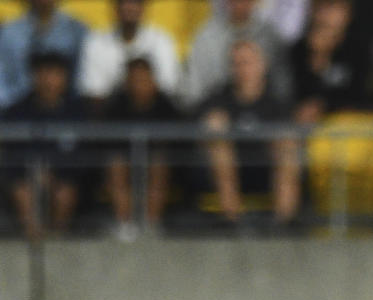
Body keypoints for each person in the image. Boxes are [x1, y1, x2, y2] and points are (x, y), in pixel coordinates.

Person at [200, 40, 300, 227]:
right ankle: (232, 221)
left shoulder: (277, 103)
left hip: (266, 167)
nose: (242, 69)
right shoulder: (218, 99)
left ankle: (283, 222)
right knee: (216, 136)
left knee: (287, 144)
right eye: (236, 63)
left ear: (262, 65)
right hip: (229, 169)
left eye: (247, 62)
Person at [2, 51, 86, 239]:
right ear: (34, 77)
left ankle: (56, 244)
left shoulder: (77, 112)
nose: (48, 80)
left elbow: (82, 155)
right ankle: (34, 245)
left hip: (65, 176)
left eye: (54, 74)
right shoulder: (17, 112)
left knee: (65, 193)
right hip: (25, 175)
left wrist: (57, 173)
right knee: (23, 192)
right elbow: (12, 154)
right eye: (43, 74)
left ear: (64, 77)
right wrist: (35, 172)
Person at [102, 57, 182, 240]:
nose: (139, 85)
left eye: (143, 79)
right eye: (134, 80)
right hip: (125, 159)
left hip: (157, 162)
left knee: (158, 164)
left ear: (153, 81)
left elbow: (175, 140)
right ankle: (125, 223)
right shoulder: (116, 106)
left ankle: (151, 224)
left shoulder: (165, 105)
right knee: (116, 165)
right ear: (127, 82)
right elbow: (107, 141)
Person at [180, 0, 290, 110]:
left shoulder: (270, 35)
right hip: (217, 110)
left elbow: (283, 88)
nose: (240, 3)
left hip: (268, 112)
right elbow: (194, 93)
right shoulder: (206, 36)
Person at [76, 0, 181, 108]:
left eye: (135, 2)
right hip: (111, 117)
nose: (129, 8)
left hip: (156, 115)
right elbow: (93, 92)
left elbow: (169, 89)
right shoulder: (96, 42)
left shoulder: (162, 40)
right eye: (123, 2)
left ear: (143, 7)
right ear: (114, 7)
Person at [0, 0, 87, 109]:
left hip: (66, 109)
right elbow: (2, 77)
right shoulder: (9, 31)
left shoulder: (77, 29)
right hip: (17, 110)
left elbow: (81, 77)